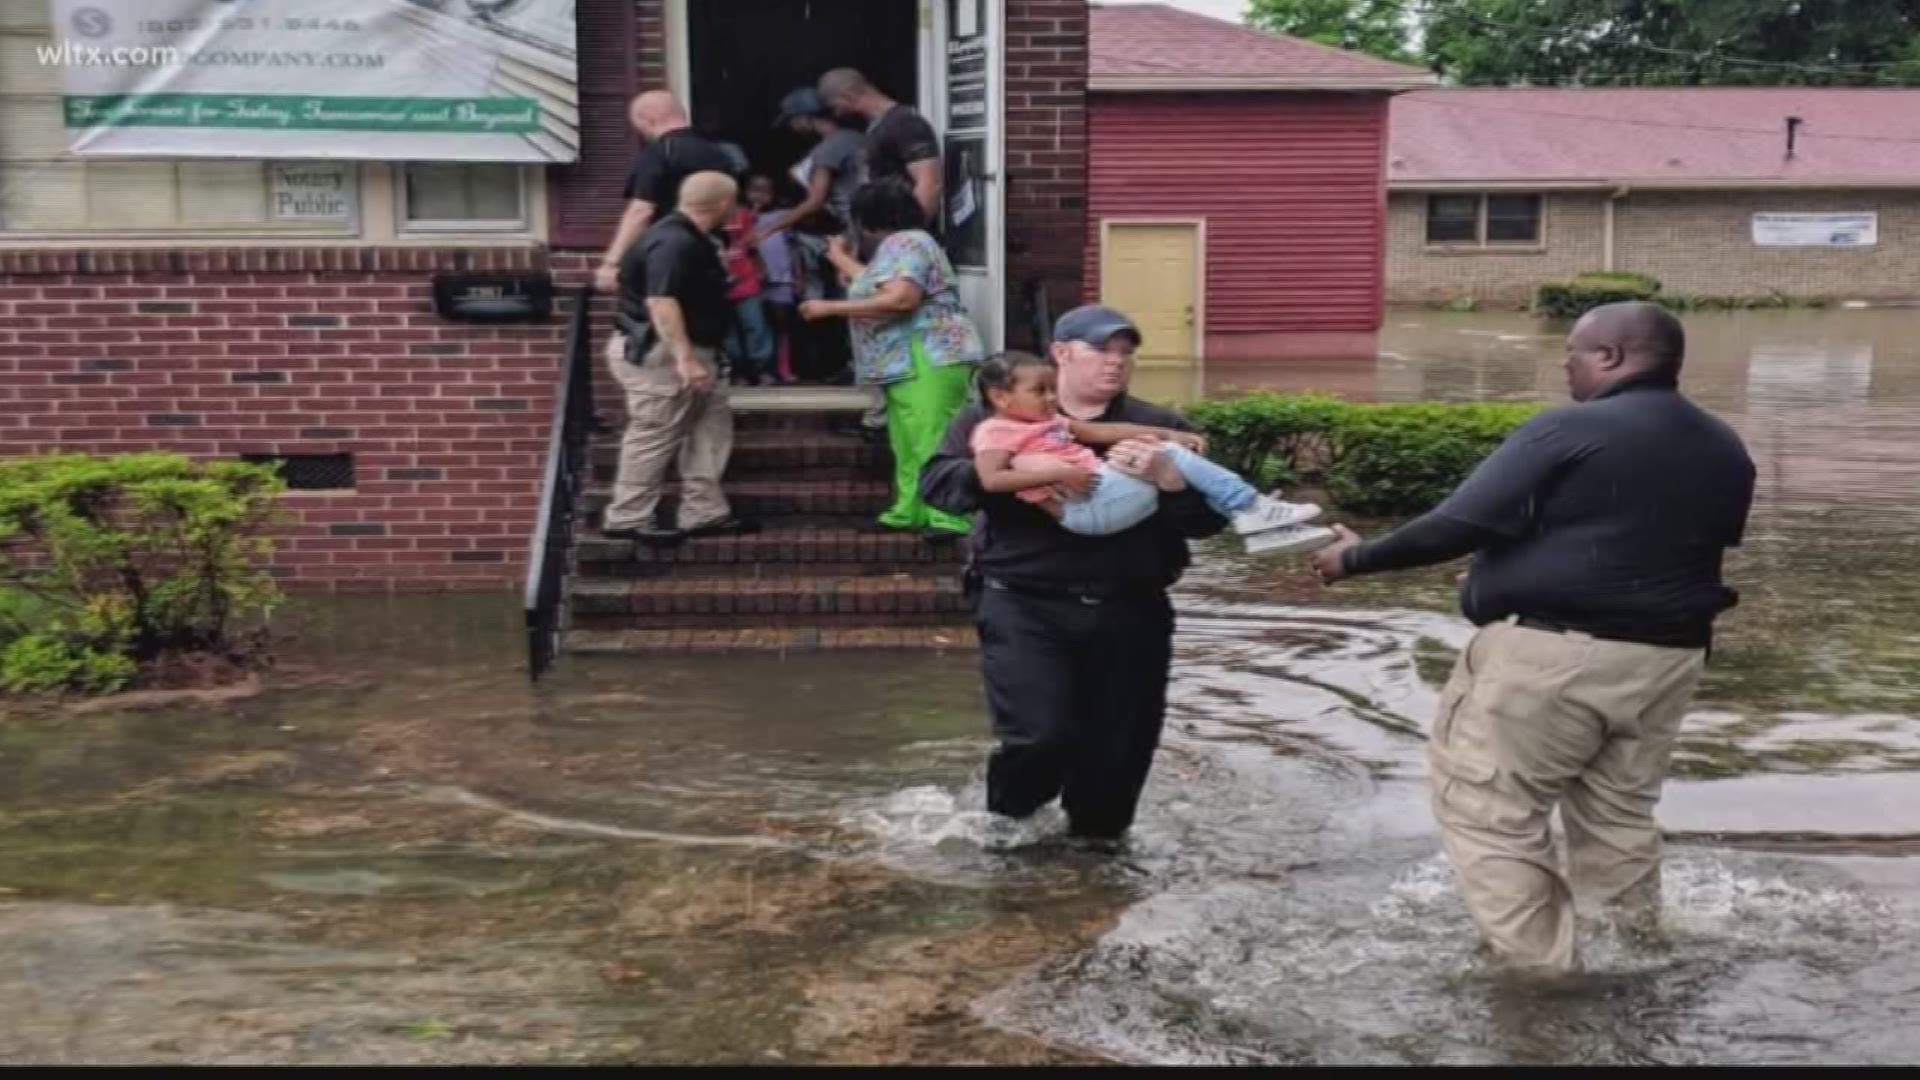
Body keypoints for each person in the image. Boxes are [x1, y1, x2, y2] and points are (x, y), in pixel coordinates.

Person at [1310, 301, 1757, 976]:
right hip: (1668, 659)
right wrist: (1515, 567)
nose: (1566, 365)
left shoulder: (1569, 429)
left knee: (1491, 813)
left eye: (1574, 352)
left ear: (1611, 357)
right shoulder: (1725, 445)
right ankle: (1633, 955)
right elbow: (1636, 541)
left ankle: (1540, 983)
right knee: (1618, 815)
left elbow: (1452, 525)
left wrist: (1353, 559)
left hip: (1553, 660)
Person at [919, 304, 1225, 846]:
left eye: (1126, 354)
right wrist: (1021, 472)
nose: (1116, 363)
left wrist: (1169, 481)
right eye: (1101, 351)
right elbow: (939, 485)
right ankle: (1005, 834)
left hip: (1131, 608)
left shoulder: (1162, 430)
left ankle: (1099, 861)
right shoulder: (995, 418)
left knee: (1118, 752)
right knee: (1039, 736)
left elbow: (1210, 521)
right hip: (1023, 603)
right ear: (1060, 354)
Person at [970, 351, 1332, 552]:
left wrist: (1167, 432)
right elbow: (992, 479)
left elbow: (1107, 431)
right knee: (1170, 459)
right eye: (1040, 391)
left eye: (1052, 389)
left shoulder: (1049, 422)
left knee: (1160, 452)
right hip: (1084, 510)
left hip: (1100, 497)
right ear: (1001, 397)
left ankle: (1262, 524)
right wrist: (1060, 473)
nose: (1051, 398)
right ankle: (1252, 508)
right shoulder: (995, 430)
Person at [799, 180, 982, 538]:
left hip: (927, 354)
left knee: (932, 436)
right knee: (907, 439)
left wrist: (829, 307)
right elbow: (877, 283)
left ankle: (947, 516)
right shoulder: (906, 245)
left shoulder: (906, 242)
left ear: (869, 218)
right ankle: (910, 509)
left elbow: (901, 299)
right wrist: (841, 259)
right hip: (909, 359)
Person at [602, 171, 756, 545]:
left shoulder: (692, 239)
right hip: (663, 354)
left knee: (710, 427)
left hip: (694, 350)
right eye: (734, 201)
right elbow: (661, 300)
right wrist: (686, 359)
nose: (737, 208)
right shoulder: (674, 242)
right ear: (722, 204)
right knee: (654, 433)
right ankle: (627, 518)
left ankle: (703, 513)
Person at [593, 91, 737, 296]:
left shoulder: (659, 153)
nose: (641, 132)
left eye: (638, 125)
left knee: (662, 313)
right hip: (711, 256)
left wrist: (612, 263)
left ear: (649, 118)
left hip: (667, 255)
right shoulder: (719, 154)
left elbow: (641, 211)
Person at [817, 67, 942, 231]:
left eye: (835, 106)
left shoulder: (905, 123)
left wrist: (908, 237)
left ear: (849, 95)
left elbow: (930, 184)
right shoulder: (877, 127)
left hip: (902, 239)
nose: (837, 114)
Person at [759, 87, 867, 248]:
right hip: (876, 221)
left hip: (854, 229)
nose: (792, 128)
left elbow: (815, 201)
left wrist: (769, 229)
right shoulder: (857, 138)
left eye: (791, 121)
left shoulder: (826, 151)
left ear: (803, 119)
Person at [745, 175, 799, 386]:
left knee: (782, 326)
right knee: (757, 325)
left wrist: (798, 276)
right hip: (752, 280)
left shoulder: (783, 217)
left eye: (765, 191)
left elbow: (794, 249)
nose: (759, 195)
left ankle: (783, 368)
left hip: (782, 278)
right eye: (754, 190)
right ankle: (759, 370)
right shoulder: (741, 216)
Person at [718, 193, 776, 386]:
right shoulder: (707, 217)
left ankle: (763, 371)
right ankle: (737, 373)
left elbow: (753, 245)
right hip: (718, 285)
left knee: (756, 326)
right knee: (728, 334)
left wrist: (761, 267)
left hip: (747, 281)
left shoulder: (743, 214)